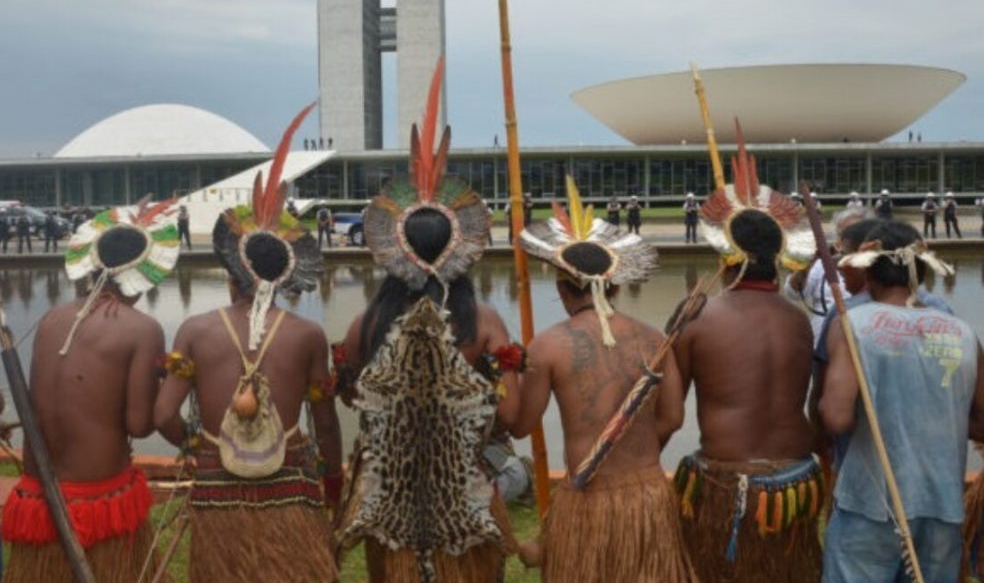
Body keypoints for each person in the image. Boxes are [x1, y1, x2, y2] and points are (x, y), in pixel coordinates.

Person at [335, 82, 520, 582]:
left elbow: (352, 397)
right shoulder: (484, 323)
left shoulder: (365, 324)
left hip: (389, 498)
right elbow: (514, 418)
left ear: (395, 250)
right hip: (464, 496)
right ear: (459, 250)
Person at [154, 107, 341, 583]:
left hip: (217, 486)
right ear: (283, 280)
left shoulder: (195, 331)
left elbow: (162, 415)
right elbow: (325, 421)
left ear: (230, 274)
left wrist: (200, 445)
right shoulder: (308, 334)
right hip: (291, 487)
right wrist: (334, 483)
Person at [513, 178, 696, 582]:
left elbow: (521, 425)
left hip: (587, 495)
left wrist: (506, 372)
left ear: (561, 287)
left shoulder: (548, 346)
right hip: (648, 495)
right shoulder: (655, 339)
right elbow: (673, 418)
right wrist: (634, 453)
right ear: (614, 285)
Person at [0, 201, 181, 582]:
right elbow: (139, 425)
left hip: (39, 493)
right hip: (98, 496)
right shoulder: (142, 329)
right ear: (144, 276)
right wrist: (166, 385)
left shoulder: (50, 320)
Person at [672, 138, 822, 582]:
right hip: (796, 476)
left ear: (725, 255)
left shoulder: (697, 317)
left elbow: (667, 414)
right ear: (778, 256)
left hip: (726, 482)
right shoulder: (799, 320)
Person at [821, 220, 983, 582]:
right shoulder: (963, 333)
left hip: (870, 505)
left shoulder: (852, 324)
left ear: (869, 274)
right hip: (942, 505)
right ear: (922, 273)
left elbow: (835, 418)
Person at [784, 209, 865, 347]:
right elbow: (793, 293)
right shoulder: (822, 263)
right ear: (839, 237)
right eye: (846, 234)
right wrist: (806, 267)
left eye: (858, 233)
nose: (853, 238)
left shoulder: (874, 264)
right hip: (822, 338)